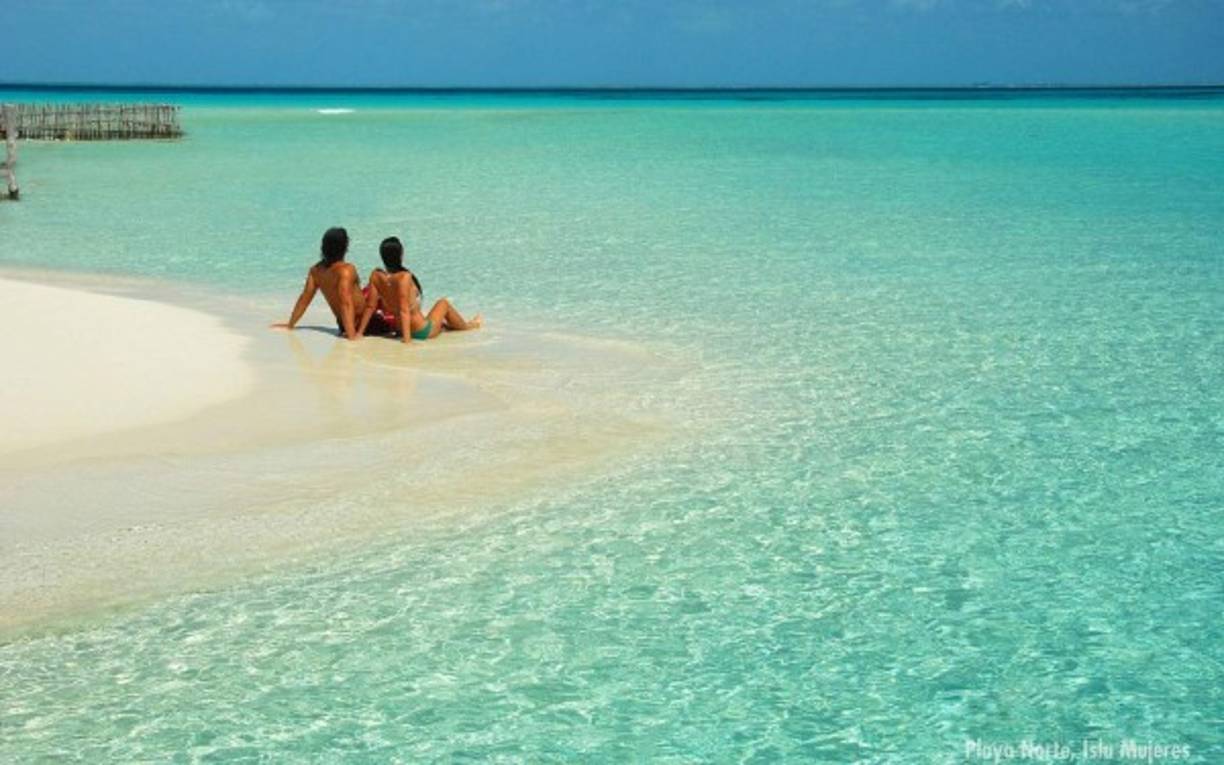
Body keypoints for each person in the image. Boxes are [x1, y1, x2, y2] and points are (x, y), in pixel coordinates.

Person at [358, 236, 482, 344]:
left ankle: (451, 326)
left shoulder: (376, 275)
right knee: (443, 303)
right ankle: (468, 327)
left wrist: (359, 333)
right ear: (401, 255)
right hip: (421, 332)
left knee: (440, 322)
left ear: (382, 256)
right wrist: (407, 341)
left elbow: (370, 306)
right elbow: (404, 309)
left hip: (399, 330)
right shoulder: (404, 277)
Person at [272, 227, 389, 339]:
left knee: (369, 291)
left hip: (343, 324)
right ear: (344, 248)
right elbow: (345, 303)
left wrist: (290, 324)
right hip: (366, 324)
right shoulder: (346, 270)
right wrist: (352, 335)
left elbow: (304, 300)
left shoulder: (315, 271)